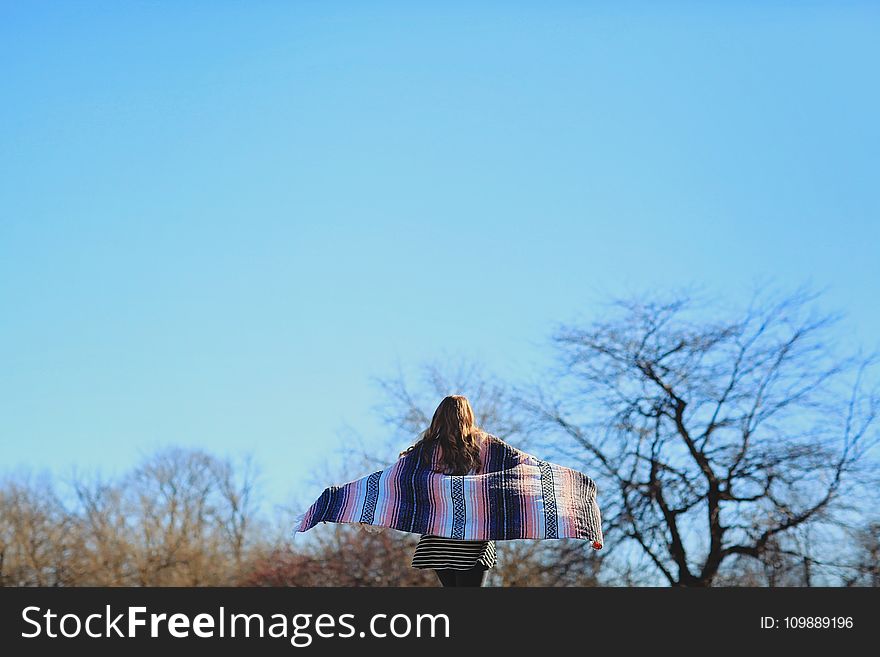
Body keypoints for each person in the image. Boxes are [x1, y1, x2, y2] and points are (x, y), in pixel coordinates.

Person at [401, 395, 497, 587]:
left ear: (439, 418)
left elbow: (396, 480)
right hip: (471, 535)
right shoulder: (485, 446)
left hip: (438, 538)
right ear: (468, 416)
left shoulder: (424, 452)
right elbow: (514, 473)